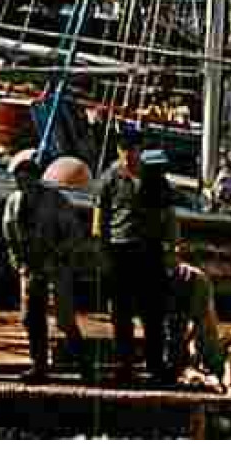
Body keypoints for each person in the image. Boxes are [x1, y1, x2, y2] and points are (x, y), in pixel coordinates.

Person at [93, 128, 177, 385]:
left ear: (141, 150)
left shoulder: (156, 179)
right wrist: (101, 251)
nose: (129, 154)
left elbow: (169, 216)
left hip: (150, 251)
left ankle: (155, 365)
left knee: (153, 312)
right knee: (121, 313)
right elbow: (99, 217)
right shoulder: (109, 178)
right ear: (119, 150)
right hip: (120, 250)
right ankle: (124, 365)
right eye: (124, 149)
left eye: (133, 149)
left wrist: (172, 249)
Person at [1, 152, 86, 382]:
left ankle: (84, 365)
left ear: (36, 178)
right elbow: (9, 236)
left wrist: (59, 255)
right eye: (18, 179)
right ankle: (39, 366)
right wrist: (18, 263)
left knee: (64, 319)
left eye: (27, 178)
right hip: (29, 267)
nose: (22, 183)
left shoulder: (55, 200)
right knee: (30, 317)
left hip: (56, 266)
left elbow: (75, 234)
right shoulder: (13, 202)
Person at [168, 258, 224, 379]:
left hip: (191, 282)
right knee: (197, 325)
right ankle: (204, 362)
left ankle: (209, 363)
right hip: (188, 281)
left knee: (201, 325)